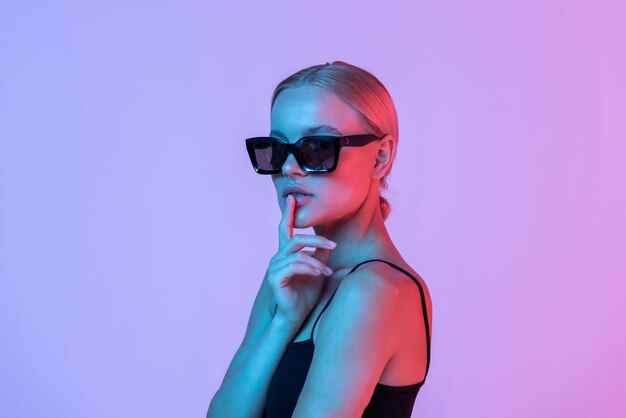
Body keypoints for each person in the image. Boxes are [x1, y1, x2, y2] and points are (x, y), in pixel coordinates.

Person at [207, 61, 432, 418]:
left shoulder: (377, 291)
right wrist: (284, 320)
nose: (288, 168)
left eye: (316, 149)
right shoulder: (293, 276)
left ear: (380, 157)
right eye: (276, 149)